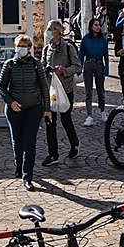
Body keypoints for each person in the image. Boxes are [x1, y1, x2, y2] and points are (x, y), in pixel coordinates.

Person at [0, 34, 48, 191]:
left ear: (29, 48)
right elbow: (1, 86)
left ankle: (28, 176)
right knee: (17, 140)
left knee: (29, 143)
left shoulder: (36, 64)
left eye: (24, 46)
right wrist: (10, 102)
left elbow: (44, 86)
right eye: (19, 46)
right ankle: (18, 165)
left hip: (33, 107)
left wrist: (47, 109)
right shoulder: (9, 65)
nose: (21, 49)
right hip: (14, 109)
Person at [42, 20, 80, 164]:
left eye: (50, 29)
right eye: (48, 29)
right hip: (50, 90)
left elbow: (77, 66)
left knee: (66, 119)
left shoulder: (68, 48)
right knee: (49, 120)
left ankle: (74, 144)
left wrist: (64, 71)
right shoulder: (46, 49)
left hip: (65, 89)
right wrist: (46, 70)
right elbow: (42, 66)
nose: (48, 31)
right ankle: (53, 154)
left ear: (58, 31)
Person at [78, 16, 110, 116]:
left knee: (100, 90)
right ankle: (89, 114)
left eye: (99, 25)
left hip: (99, 64)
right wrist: (79, 67)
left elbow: (106, 55)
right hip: (88, 64)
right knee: (88, 91)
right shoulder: (86, 39)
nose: (98, 27)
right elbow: (81, 54)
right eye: (96, 25)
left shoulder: (103, 39)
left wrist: (106, 68)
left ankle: (102, 111)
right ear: (91, 26)